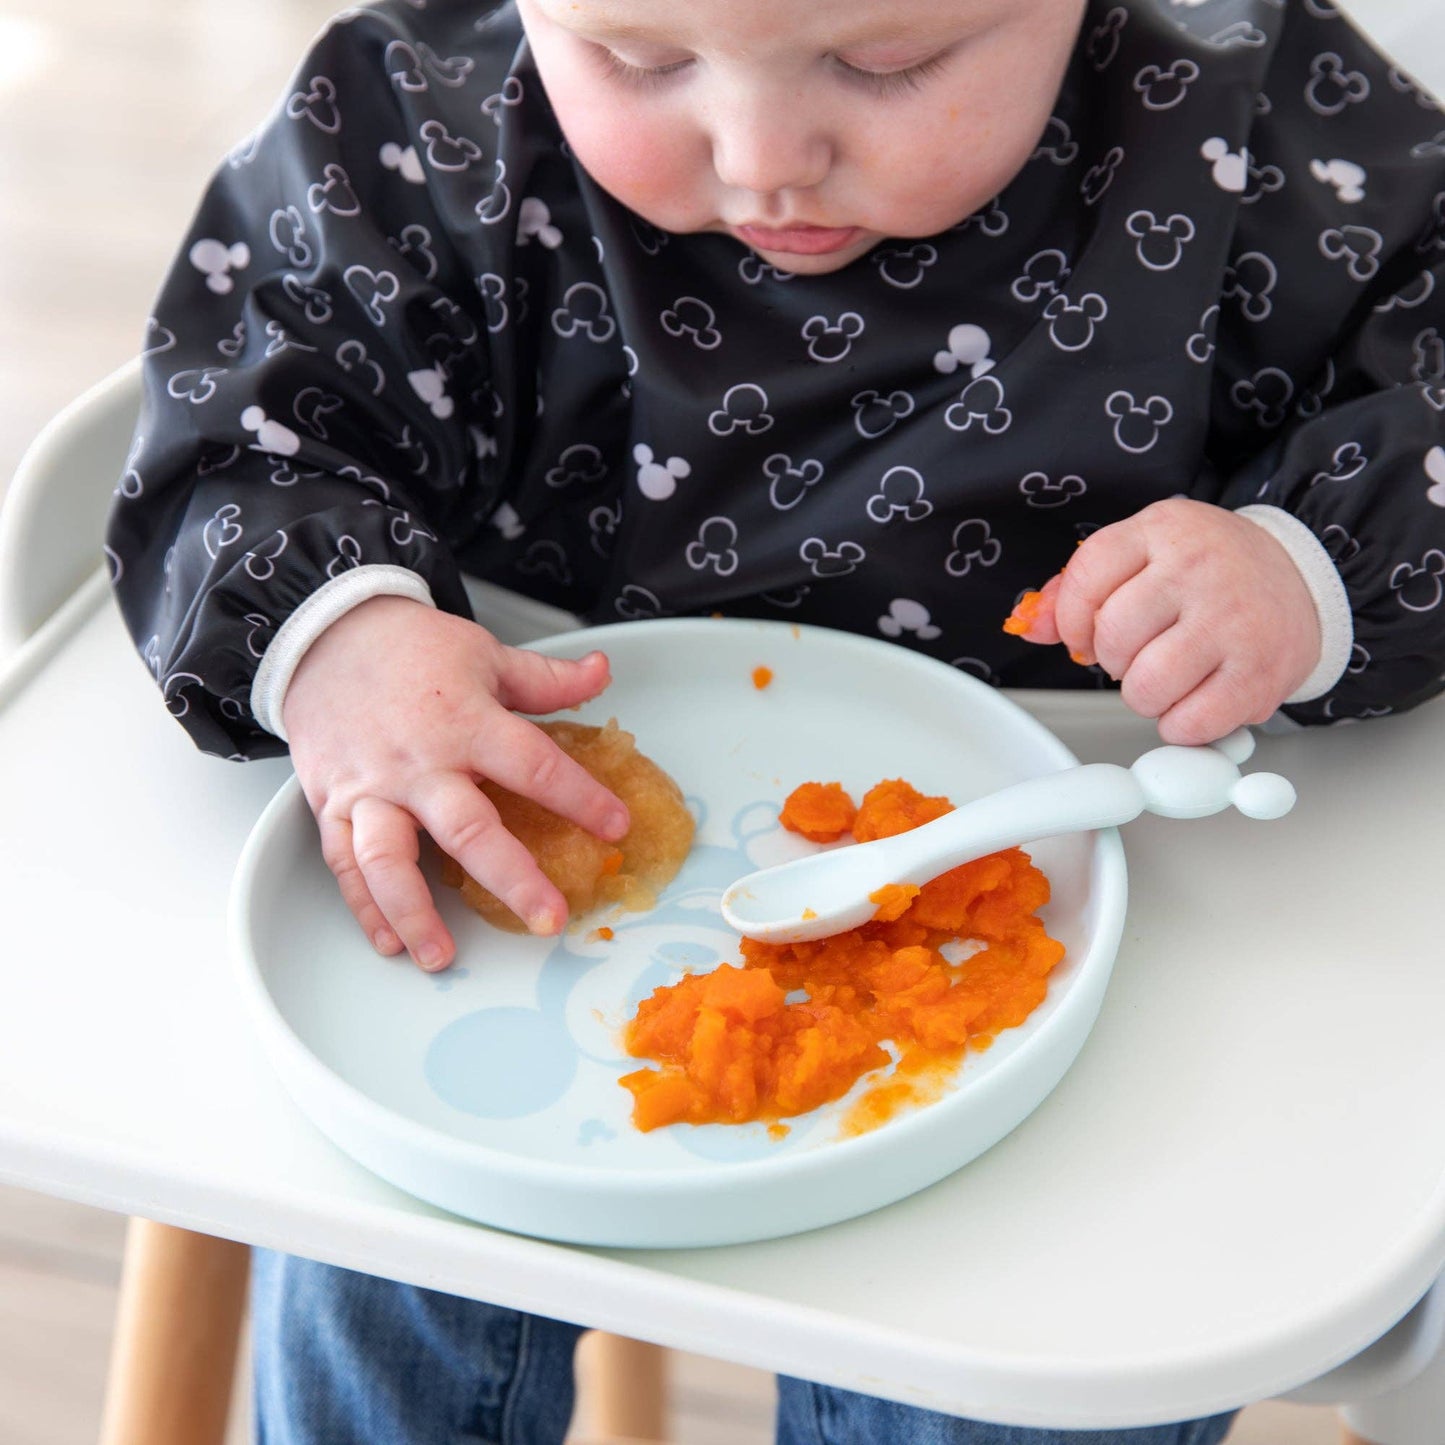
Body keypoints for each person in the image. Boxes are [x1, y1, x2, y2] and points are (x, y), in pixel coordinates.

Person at [106, 0, 1444, 1439]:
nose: (761, 160)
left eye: (885, 63)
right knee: (386, 1235)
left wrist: (1306, 565)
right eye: (637, 59)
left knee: (1020, 1368)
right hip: (508, 935)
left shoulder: (1257, 127)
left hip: (1123, 948)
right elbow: (245, 424)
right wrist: (338, 634)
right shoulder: (422, 134)